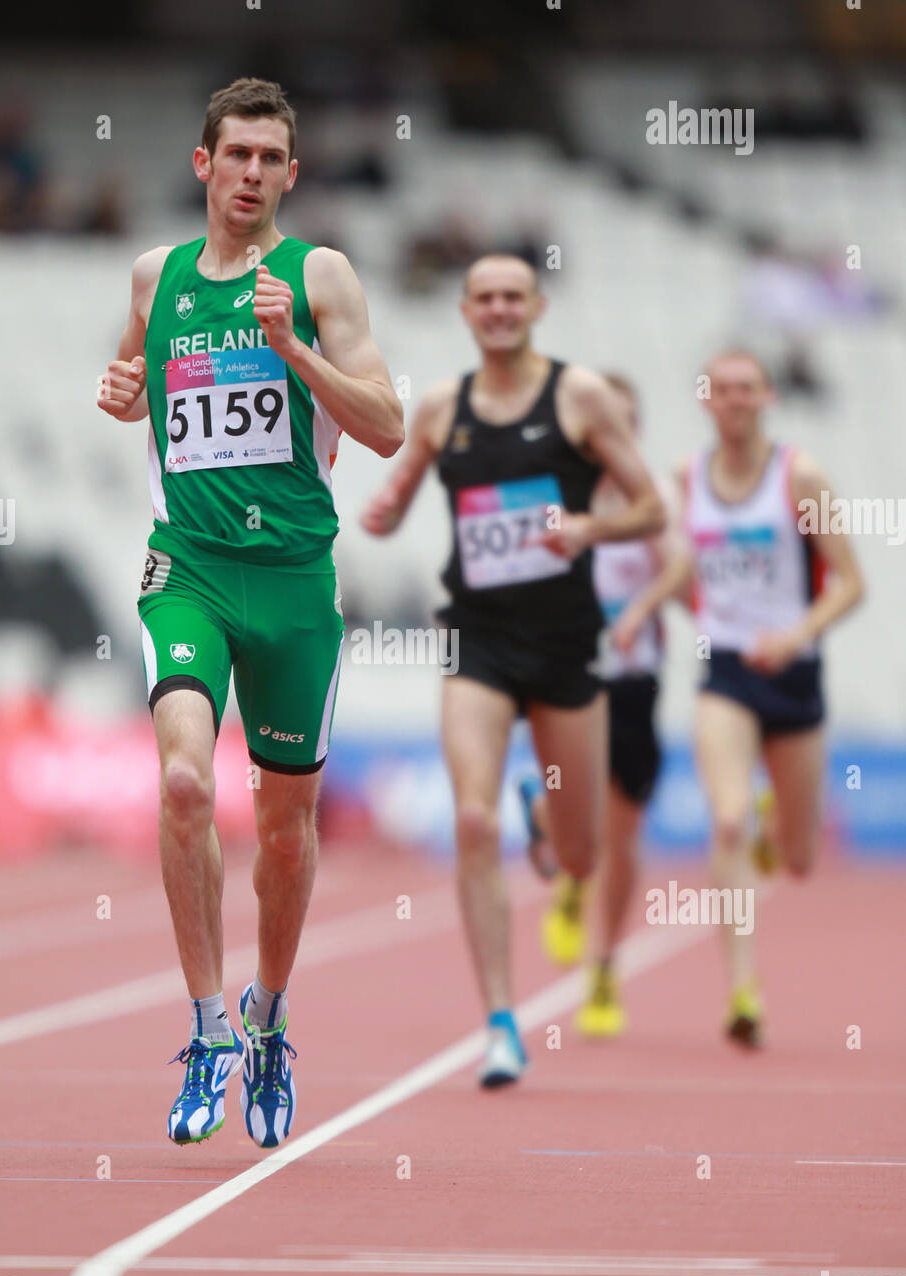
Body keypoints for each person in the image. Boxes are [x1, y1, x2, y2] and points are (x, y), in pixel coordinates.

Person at [98, 78, 403, 1147]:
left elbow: (387, 428)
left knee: (284, 830)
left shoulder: (319, 275)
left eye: (272, 159)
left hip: (294, 584)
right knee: (184, 779)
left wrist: (297, 351)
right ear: (202, 164)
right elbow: (133, 376)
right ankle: (205, 1027)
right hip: (185, 566)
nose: (252, 175)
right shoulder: (158, 274)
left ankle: (267, 1017)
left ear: (291, 172)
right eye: (236, 156)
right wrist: (125, 389)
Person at [361, 255, 664, 1085]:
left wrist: (581, 530)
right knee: (468, 820)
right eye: (483, 298)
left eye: (511, 297)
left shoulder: (582, 397)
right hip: (477, 642)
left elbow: (652, 508)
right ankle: (500, 1021)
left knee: (580, 855)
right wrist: (383, 513)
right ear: (464, 311)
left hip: (566, 647)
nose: (497, 309)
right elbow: (395, 498)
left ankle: (546, 821)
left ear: (536, 306)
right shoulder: (439, 407)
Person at [615, 350, 864, 1046]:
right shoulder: (688, 478)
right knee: (725, 827)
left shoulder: (798, 476)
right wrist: (643, 606)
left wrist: (794, 635)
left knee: (798, 857)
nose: (732, 401)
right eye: (720, 390)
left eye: (744, 389)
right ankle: (741, 990)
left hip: (793, 673)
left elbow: (849, 583)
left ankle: (773, 815)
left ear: (766, 396)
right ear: (705, 401)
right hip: (723, 669)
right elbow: (690, 557)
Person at [517, 374, 686, 1037]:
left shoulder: (651, 500)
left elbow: (679, 567)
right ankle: (546, 827)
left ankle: (604, 966)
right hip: (570, 676)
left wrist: (639, 609)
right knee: (572, 808)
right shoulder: (556, 498)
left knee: (622, 829)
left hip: (635, 677)